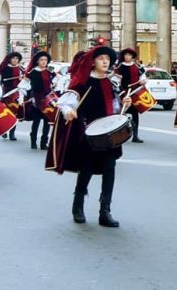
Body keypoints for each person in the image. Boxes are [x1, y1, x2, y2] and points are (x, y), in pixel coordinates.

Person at [52, 46, 132, 227]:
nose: (105, 62)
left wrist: (123, 103)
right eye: (101, 58)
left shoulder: (112, 83)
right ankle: (78, 205)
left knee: (109, 170)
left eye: (108, 59)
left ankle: (105, 212)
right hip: (88, 134)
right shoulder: (83, 83)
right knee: (86, 170)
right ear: (93, 62)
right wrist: (68, 111)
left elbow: (114, 108)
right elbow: (64, 103)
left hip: (109, 135)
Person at [23, 52, 54, 150]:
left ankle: (43, 143)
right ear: (37, 61)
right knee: (36, 122)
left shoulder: (49, 72)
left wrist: (53, 85)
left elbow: (52, 83)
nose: (44, 62)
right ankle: (33, 142)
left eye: (45, 60)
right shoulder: (33, 72)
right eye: (41, 60)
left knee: (47, 122)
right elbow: (27, 86)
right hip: (37, 100)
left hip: (47, 100)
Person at [115, 48, 145, 143]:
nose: (127, 56)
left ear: (132, 56)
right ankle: (118, 135)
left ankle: (135, 136)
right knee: (121, 114)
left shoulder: (137, 67)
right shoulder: (119, 67)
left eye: (129, 55)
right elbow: (116, 81)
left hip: (135, 94)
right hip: (124, 94)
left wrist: (143, 81)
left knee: (135, 115)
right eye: (125, 55)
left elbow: (143, 76)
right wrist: (121, 91)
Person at [0, 52, 24, 141]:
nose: (15, 60)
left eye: (17, 58)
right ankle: (4, 130)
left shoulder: (20, 69)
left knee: (14, 114)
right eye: (13, 58)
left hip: (16, 92)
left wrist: (23, 79)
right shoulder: (5, 68)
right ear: (10, 59)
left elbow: (26, 80)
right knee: (4, 113)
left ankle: (12, 133)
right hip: (6, 92)